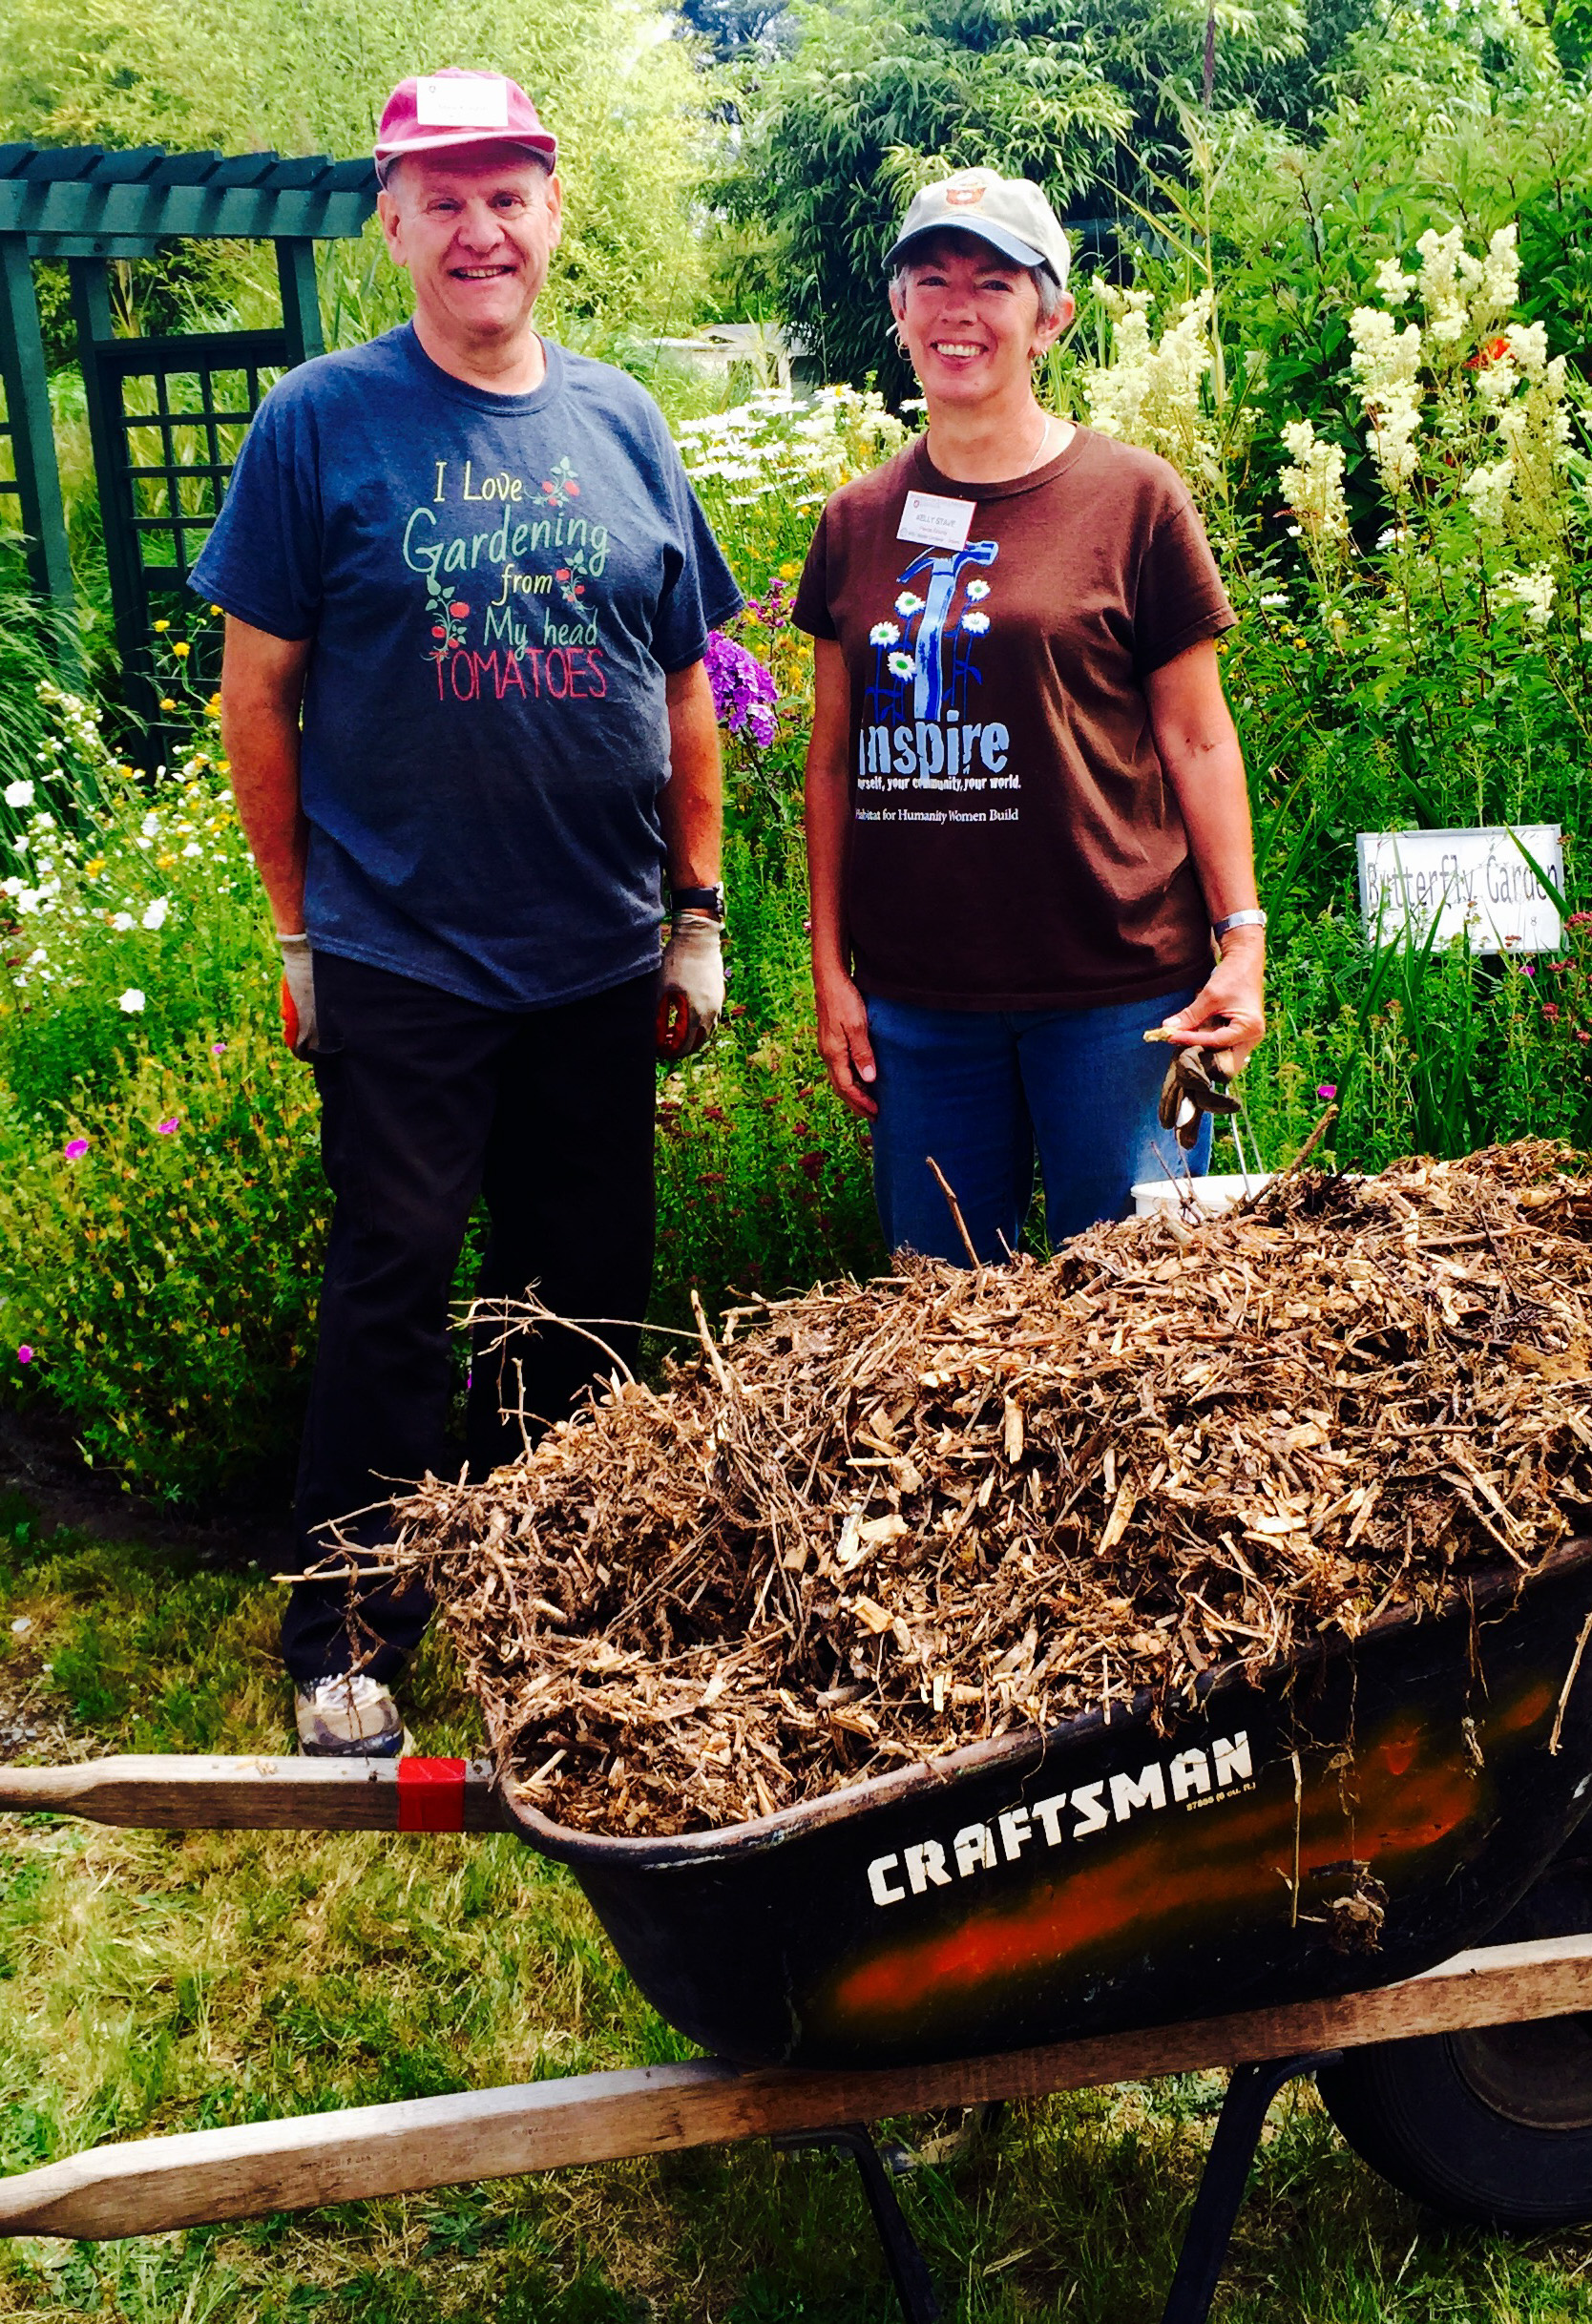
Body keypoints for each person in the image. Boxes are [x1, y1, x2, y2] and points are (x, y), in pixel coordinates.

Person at [192, 69, 741, 1757]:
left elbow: (688, 687)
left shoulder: (622, 420)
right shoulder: (318, 423)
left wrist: (696, 918)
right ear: (392, 222)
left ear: (549, 213)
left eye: (506, 193)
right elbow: (255, 698)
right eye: (443, 198)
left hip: (593, 956)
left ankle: (557, 1620)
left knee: (582, 1301)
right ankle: (347, 1633)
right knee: (395, 1292)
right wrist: (299, 934)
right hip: (402, 956)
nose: (478, 228)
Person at [795, 167, 1267, 1265]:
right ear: (900, 311)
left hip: (1118, 988)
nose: (959, 308)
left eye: (993, 282)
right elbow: (831, 762)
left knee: (1144, 1323)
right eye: (931, 279)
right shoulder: (857, 521)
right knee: (942, 1327)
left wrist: (1239, 942)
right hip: (922, 1003)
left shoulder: (1131, 499)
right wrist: (832, 970)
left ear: (1049, 317)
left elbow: (1198, 735)